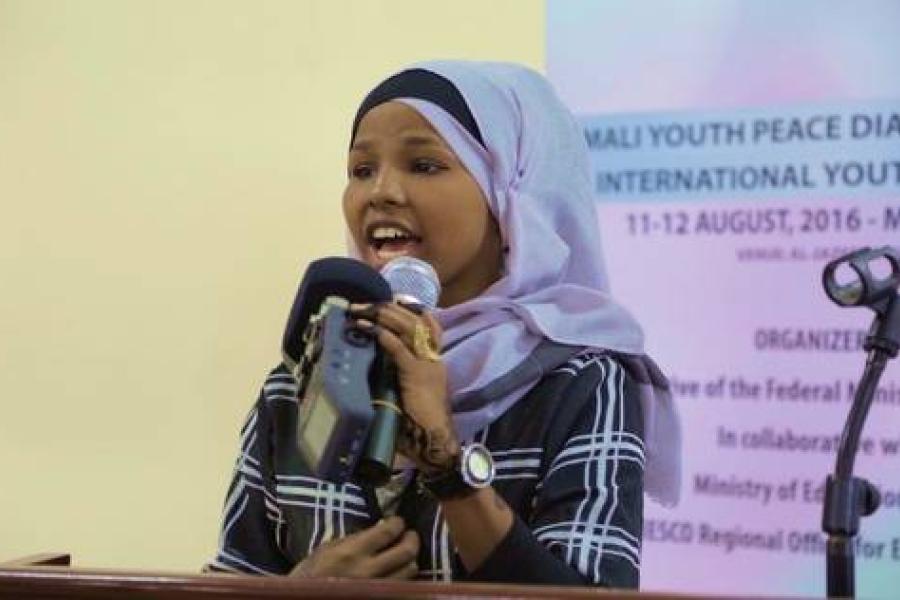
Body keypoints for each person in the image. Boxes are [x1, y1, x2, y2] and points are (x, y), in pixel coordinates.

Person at [207, 60, 680, 587]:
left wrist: (445, 462)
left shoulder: (582, 383)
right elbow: (228, 580)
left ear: (510, 196)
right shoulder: (299, 382)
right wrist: (298, 592)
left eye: (424, 165)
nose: (381, 192)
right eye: (361, 170)